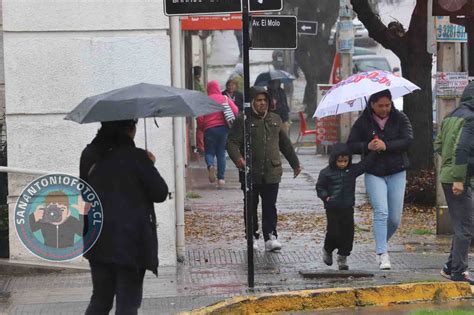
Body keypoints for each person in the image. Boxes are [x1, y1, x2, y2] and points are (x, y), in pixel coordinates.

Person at [80, 119, 169, 314]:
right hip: (131, 242)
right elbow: (160, 193)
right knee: (127, 304)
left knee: (100, 300)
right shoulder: (137, 157)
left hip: (97, 237)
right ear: (130, 129)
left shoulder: (90, 154)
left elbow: (85, 192)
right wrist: (149, 164)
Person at [227, 87, 301, 251]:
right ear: (252, 102)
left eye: (264, 100)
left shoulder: (275, 119)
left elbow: (285, 144)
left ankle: (270, 236)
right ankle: (251, 236)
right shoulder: (243, 120)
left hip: (271, 172)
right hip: (250, 172)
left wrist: (295, 164)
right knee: (250, 206)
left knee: (270, 205)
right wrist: (239, 159)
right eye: (258, 100)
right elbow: (231, 143)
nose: (262, 103)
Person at [347, 89, 413, 270]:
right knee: (381, 212)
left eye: (388, 105)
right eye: (381, 106)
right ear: (372, 105)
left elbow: (407, 140)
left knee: (394, 219)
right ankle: (382, 253)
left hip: (397, 170)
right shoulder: (363, 122)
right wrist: (366, 146)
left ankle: (381, 241)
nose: (385, 109)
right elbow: (350, 144)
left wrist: (386, 146)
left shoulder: (400, 118)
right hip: (374, 171)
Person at [434, 81, 474, 285]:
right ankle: (459, 271)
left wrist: (449, 166)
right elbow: (462, 149)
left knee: (462, 224)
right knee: (466, 226)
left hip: (448, 176)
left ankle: (450, 266)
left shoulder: (451, 116)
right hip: (459, 179)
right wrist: (459, 178)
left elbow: (439, 144)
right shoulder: (471, 118)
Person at [316, 143, 375, 270]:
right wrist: (326, 197)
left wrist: (374, 151)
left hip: (347, 208)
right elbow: (320, 187)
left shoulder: (351, 171)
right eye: (340, 161)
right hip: (332, 208)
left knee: (348, 234)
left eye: (345, 161)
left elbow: (364, 165)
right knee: (333, 232)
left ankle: (343, 256)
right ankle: (328, 249)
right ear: (334, 160)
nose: (342, 164)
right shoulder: (326, 173)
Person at [197, 80, 239, 188]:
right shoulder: (224, 98)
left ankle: (210, 165)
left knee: (209, 152)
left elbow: (200, 118)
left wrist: (202, 128)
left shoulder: (204, 101)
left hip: (209, 129)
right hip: (223, 129)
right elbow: (235, 110)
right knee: (221, 154)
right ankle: (221, 179)